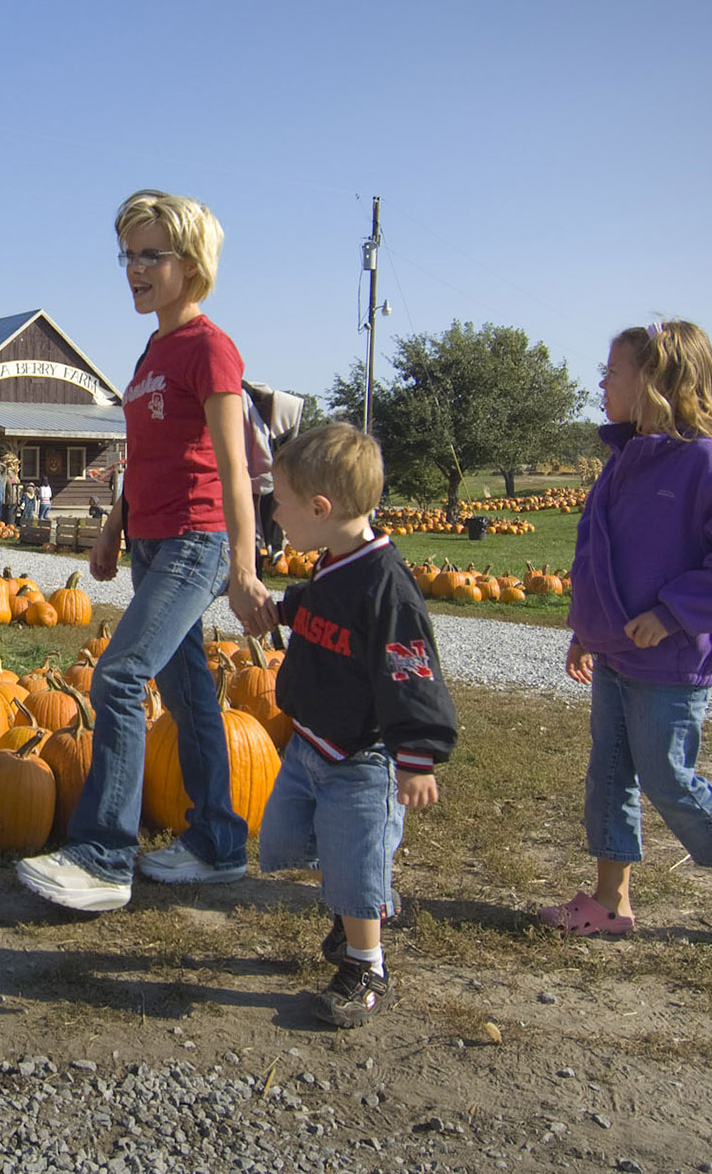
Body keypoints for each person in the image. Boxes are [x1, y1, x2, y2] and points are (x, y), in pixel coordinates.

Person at [15, 189, 273, 912]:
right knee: (190, 696)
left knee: (121, 677)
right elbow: (146, 449)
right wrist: (113, 522)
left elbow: (233, 467)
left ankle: (102, 857)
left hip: (198, 540)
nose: (132, 268)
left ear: (189, 264)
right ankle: (219, 843)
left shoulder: (210, 347)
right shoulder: (155, 348)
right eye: (126, 254)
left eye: (148, 254)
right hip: (154, 543)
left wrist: (245, 570)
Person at [540, 320, 712, 947]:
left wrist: (672, 613)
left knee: (668, 776)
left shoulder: (705, 462)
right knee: (610, 772)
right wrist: (586, 628)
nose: (602, 383)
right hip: (615, 652)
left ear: (657, 382)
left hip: (672, 657)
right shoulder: (623, 461)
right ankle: (610, 901)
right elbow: (597, 556)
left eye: (613, 372)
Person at [258, 423, 457, 1027]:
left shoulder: (386, 590)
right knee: (285, 840)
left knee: (357, 855)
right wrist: (283, 608)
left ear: (320, 509)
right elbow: (320, 609)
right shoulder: (334, 562)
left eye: (281, 502)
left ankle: (366, 966)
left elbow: (411, 673)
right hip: (312, 741)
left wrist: (418, 754)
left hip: (363, 757)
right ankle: (355, 908)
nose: (275, 511)